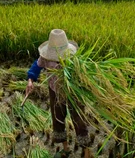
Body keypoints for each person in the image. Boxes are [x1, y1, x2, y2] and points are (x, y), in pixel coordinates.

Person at [26, 29, 92, 158]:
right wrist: (30, 80)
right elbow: (36, 66)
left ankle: (86, 151)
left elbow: (83, 73)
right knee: (57, 118)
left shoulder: (73, 58)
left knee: (79, 119)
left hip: (73, 91)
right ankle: (65, 148)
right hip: (54, 91)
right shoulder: (45, 58)